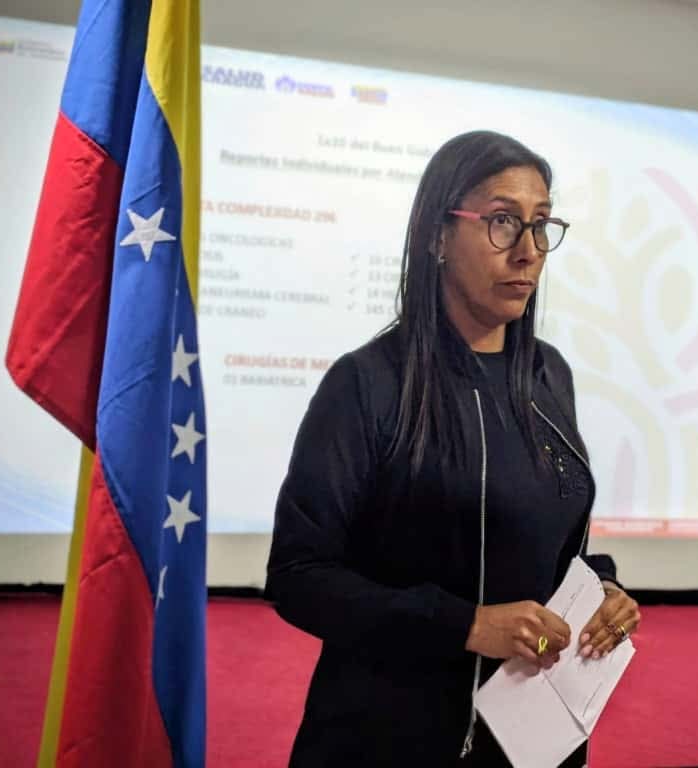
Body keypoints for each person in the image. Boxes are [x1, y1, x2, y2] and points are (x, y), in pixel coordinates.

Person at [265, 130, 641, 767]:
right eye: (503, 221)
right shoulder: (367, 383)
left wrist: (603, 588)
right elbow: (298, 577)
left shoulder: (549, 375)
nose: (528, 250)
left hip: (532, 740)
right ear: (438, 236)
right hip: (389, 741)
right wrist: (465, 625)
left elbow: (548, 540)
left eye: (541, 225)